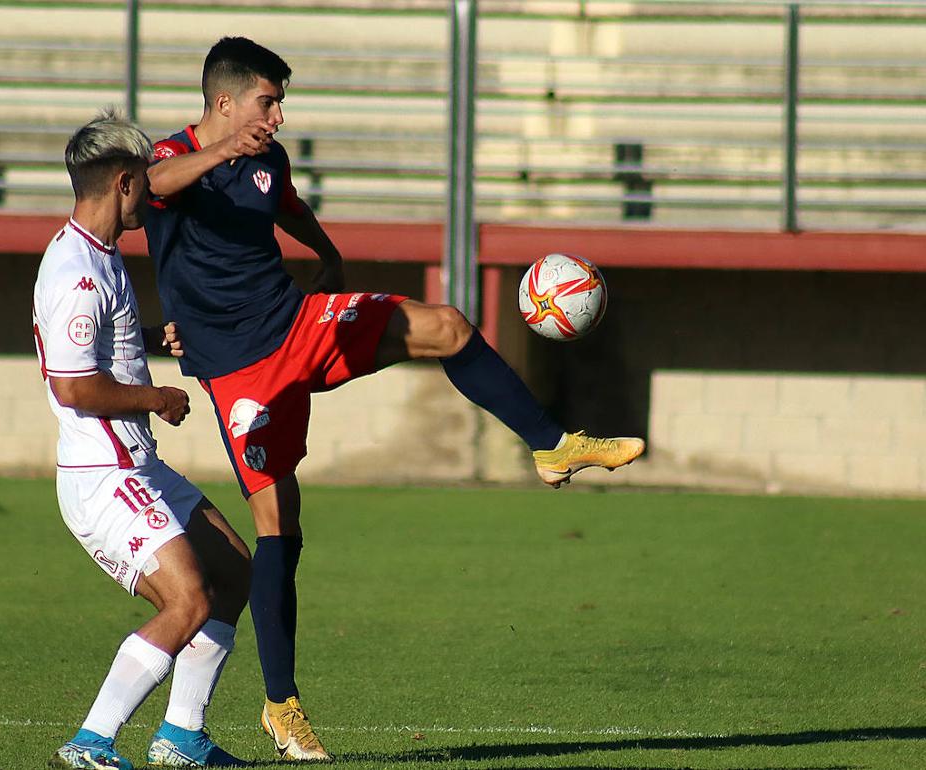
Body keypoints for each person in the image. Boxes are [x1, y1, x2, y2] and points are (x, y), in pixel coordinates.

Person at [144, 37, 646, 762]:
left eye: (281, 100)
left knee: (445, 325)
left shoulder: (267, 158)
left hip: (297, 322)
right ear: (224, 102)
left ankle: (550, 443)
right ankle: (281, 706)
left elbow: (281, 199)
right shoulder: (176, 157)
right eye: (268, 100)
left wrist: (325, 251)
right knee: (278, 524)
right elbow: (153, 187)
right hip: (239, 370)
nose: (279, 114)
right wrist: (222, 154)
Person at [33, 108, 253, 770]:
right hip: (103, 477)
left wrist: (149, 343)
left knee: (235, 571)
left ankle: (182, 737)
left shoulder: (96, 254)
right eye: (147, 181)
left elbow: (100, 353)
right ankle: (91, 741)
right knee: (187, 599)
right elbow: (75, 388)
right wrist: (155, 396)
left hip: (136, 464)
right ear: (125, 182)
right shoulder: (76, 271)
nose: (154, 193)